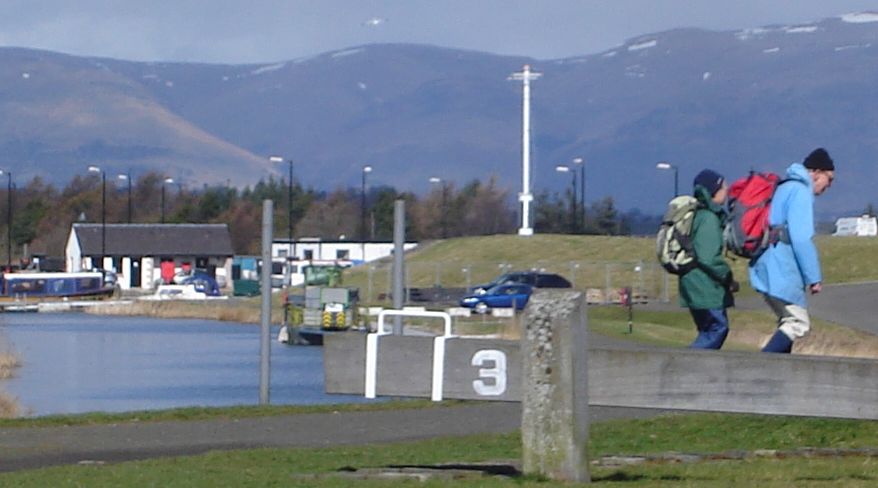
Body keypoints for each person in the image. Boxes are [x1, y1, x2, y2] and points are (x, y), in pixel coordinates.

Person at [750, 148, 835, 353]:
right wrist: (813, 277)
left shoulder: (785, 187)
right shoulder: (800, 192)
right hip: (780, 267)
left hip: (764, 264)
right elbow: (801, 239)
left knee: (787, 322)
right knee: (798, 323)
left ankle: (777, 376)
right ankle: (759, 368)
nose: (829, 186)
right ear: (816, 172)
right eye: (829, 179)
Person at [679, 169, 737, 349]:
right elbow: (708, 257)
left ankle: (695, 369)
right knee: (717, 328)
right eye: (723, 187)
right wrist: (727, 276)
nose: (727, 191)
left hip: (694, 283)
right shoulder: (708, 219)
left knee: (708, 329)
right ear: (713, 191)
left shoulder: (698, 215)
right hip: (704, 287)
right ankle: (685, 365)